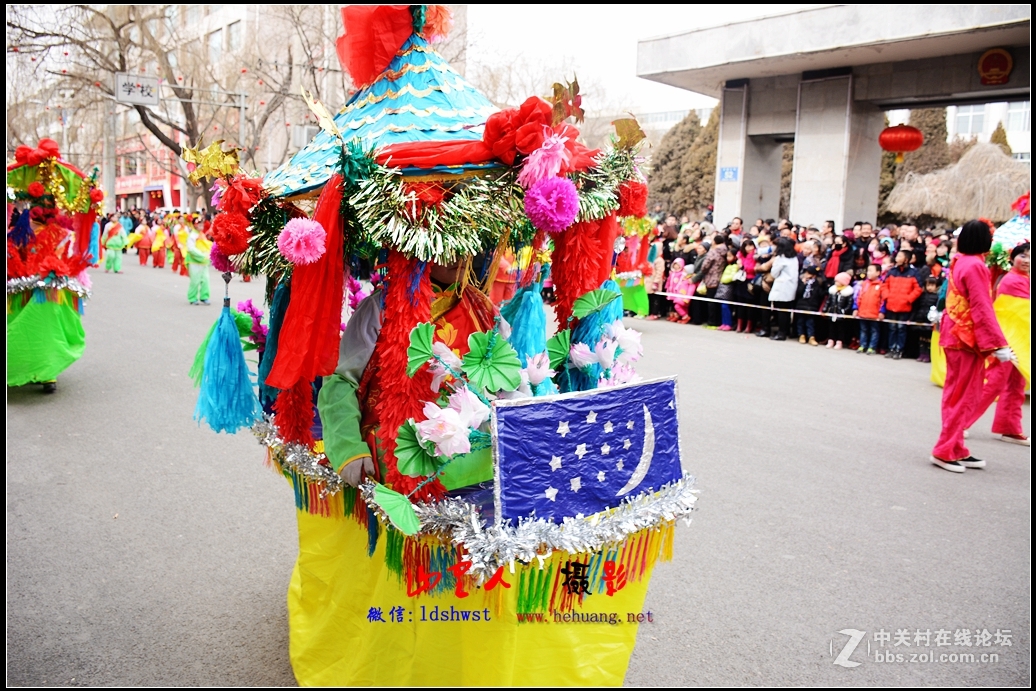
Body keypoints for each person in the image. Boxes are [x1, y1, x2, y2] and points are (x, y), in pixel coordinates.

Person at [930, 220, 1013, 473]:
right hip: (965, 336)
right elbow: (982, 306)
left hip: (959, 332)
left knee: (965, 393)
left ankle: (955, 446)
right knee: (962, 395)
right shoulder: (975, 265)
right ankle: (945, 450)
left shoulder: (962, 260)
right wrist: (997, 343)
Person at [964, 242, 1030, 446]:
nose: (1027, 261)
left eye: (1030, 257)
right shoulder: (1011, 281)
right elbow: (1019, 313)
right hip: (1008, 339)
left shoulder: (1026, 280)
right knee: (994, 382)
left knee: (1016, 385)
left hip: (1021, 340)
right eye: (1023, 256)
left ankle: (1009, 427)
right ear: (1012, 258)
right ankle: (963, 422)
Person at [881, 250, 923, 360]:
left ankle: (899, 349)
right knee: (891, 328)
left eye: (900, 256)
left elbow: (918, 289)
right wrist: (887, 296)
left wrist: (908, 299)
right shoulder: (892, 271)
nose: (897, 258)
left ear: (906, 259)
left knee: (901, 329)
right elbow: (884, 285)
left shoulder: (914, 273)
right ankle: (891, 348)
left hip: (904, 306)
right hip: (891, 304)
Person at [766, 237, 798, 341]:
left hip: (781, 286)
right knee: (786, 311)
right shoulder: (794, 258)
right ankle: (785, 330)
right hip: (791, 286)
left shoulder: (781, 259)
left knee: (781, 311)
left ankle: (781, 333)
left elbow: (774, 273)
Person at [852, 264, 884, 354]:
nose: (868, 273)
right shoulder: (865, 284)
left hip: (874, 313)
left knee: (874, 330)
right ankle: (863, 345)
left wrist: (882, 311)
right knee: (863, 330)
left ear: (878, 273)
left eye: (871, 271)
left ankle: (872, 347)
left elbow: (883, 300)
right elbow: (859, 297)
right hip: (863, 312)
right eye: (868, 271)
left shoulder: (881, 285)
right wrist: (856, 308)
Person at [911, 277, 940, 363]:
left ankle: (928, 355)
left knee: (929, 339)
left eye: (932, 285)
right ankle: (921, 354)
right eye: (928, 285)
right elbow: (917, 307)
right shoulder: (922, 295)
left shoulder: (937, 297)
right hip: (921, 318)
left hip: (930, 320)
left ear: (936, 286)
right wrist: (912, 319)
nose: (930, 287)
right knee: (921, 338)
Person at [794, 265, 825, 345]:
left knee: (810, 322)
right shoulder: (801, 282)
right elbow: (798, 293)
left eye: (809, 273)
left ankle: (811, 336)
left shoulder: (817, 283)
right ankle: (801, 335)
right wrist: (803, 284)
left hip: (812, 305)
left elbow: (820, 294)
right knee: (800, 321)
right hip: (801, 304)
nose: (806, 275)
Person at [824, 272, 856, 350]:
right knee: (831, 327)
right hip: (832, 312)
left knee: (840, 328)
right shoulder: (833, 290)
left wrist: (844, 311)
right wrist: (825, 309)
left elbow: (849, 303)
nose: (835, 283)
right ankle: (831, 340)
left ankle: (839, 341)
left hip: (841, 313)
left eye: (837, 281)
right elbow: (828, 301)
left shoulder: (847, 292)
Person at [186, 223, 212, 305]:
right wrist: (202, 255)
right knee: (195, 280)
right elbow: (191, 248)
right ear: (195, 225)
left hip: (204, 261)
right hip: (194, 261)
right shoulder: (192, 236)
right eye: (199, 225)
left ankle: (204, 297)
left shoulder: (202, 235)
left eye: (202, 225)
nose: (202, 226)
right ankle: (192, 298)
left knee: (205, 279)